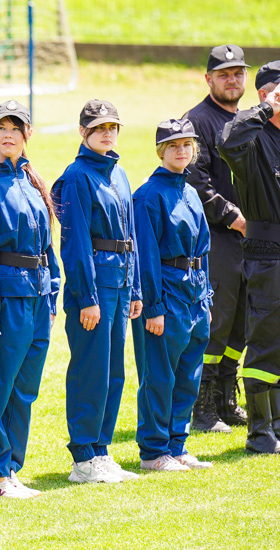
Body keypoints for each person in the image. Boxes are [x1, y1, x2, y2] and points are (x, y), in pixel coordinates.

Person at [0, 100, 58, 498]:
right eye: (1, 127)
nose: (8, 134)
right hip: (5, 299)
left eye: (16, 128)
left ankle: (12, 468)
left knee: (24, 388)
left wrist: (51, 296)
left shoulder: (34, 181)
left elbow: (47, 247)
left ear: (27, 134)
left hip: (36, 297)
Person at [52, 100, 143, 484]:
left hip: (120, 282)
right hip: (95, 286)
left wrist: (135, 286)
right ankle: (84, 456)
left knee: (113, 371)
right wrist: (86, 296)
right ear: (83, 132)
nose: (107, 133)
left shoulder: (118, 173)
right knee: (91, 369)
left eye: (112, 127)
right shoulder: (76, 176)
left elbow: (131, 234)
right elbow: (74, 243)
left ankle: (101, 450)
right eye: (99, 127)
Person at [132, 119, 214, 472]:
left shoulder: (191, 192)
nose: (182, 151)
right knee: (160, 375)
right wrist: (154, 307)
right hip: (166, 292)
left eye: (187, 145)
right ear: (161, 151)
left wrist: (206, 299)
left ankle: (177, 445)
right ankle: (153, 451)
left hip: (194, 294)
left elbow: (204, 250)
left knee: (189, 373)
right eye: (174, 145)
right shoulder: (148, 196)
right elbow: (145, 257)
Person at [183, 45, 250, 433]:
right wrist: (234, 217)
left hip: (250, 239)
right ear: (208, 79)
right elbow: (197, 184)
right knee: (215, 324)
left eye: (238, 73)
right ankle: (202, 407)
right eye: (224, 74)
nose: (231, 80)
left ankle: (226, 400)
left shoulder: (247, 120)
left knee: (241, 324)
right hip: (216, 239)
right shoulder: (196, 122)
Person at [217, 61, 280, 454]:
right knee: (265, 344)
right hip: (267, 254)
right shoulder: (253, 139)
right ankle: (261, 433)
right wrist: (265, 109)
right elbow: (227, 142)